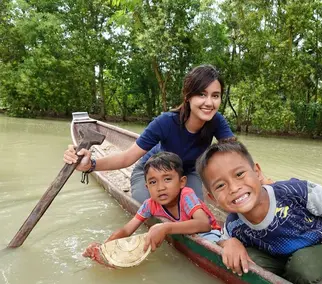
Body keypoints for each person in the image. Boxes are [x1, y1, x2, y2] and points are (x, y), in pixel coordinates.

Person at [195, 141, 322, 284]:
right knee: (242, 264)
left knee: (301, 268)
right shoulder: (233, 223)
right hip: (277, 254)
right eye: (220, 185)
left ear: (257, 172)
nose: (234, 188)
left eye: (239, 174)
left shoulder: (295, 192)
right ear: (212, 197)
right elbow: (223, 237)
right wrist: (230, 242)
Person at [63, 64, 235, 203]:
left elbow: (235, 156)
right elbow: (126, 158)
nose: (209, 102)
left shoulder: (216, 121)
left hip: (187, 173)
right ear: (188, 97)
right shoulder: (166, 122)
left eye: (215, 96)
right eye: (202, 95)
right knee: (149, 207)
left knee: (195, 210)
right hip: (153, 172)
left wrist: (260, 183)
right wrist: (90, 165)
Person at [83, 152, 221, 264]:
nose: (160, 187)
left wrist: (166, 228)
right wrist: (103, 248)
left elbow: (204, 225)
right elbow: (126, 230)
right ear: (147, 187)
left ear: (182, 182)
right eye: (153, 182)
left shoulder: (186, 195)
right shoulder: (149, 204)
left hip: (212, 235)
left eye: (167, 179)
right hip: (188, 236)